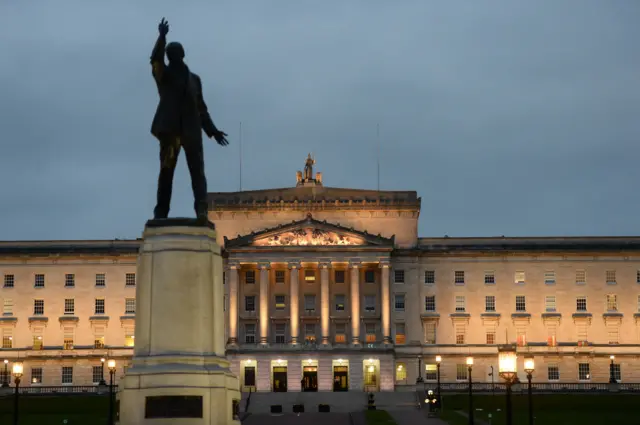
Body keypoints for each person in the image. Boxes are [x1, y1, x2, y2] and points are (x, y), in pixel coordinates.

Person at [150, 17, 229, 220]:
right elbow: (155, 60)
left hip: (192, 131)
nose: (171, 55)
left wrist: (212, 130)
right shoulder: (164, 76)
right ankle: (161, 212)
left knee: (198, 173)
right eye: (169, 53)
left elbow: (201, 108)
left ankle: (201, 209)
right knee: (166, 172)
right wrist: (162, 37)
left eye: (174, 52)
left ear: (182, 54)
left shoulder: (195, 80)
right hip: (171, 130)